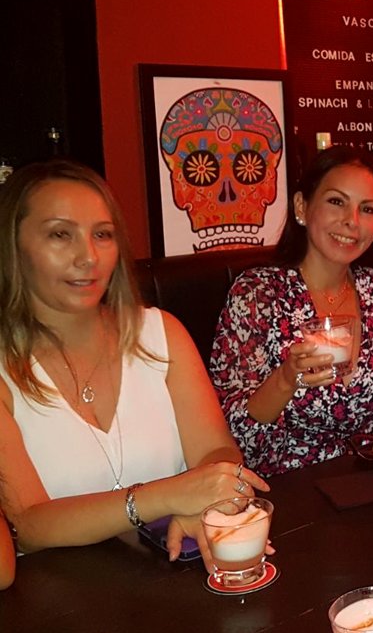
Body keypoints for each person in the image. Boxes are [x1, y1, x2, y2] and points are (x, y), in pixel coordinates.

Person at [0, 160, 266, 566]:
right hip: (62, 593)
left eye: (102, 235)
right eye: (60, 234)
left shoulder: (161, 332)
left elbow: (215, 449)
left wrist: (208, 500)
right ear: (13, 245)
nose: (88, 256)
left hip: (173, 574)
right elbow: (30, 524)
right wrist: (168, 496)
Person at [210, 145, 373, 477]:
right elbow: (232, 431)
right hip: (288, 482)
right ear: (302, 207)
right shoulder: (259, 293)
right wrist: (286, 379)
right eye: (336, 202)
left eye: (367, 209)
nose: (351, 221)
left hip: (371, 477)